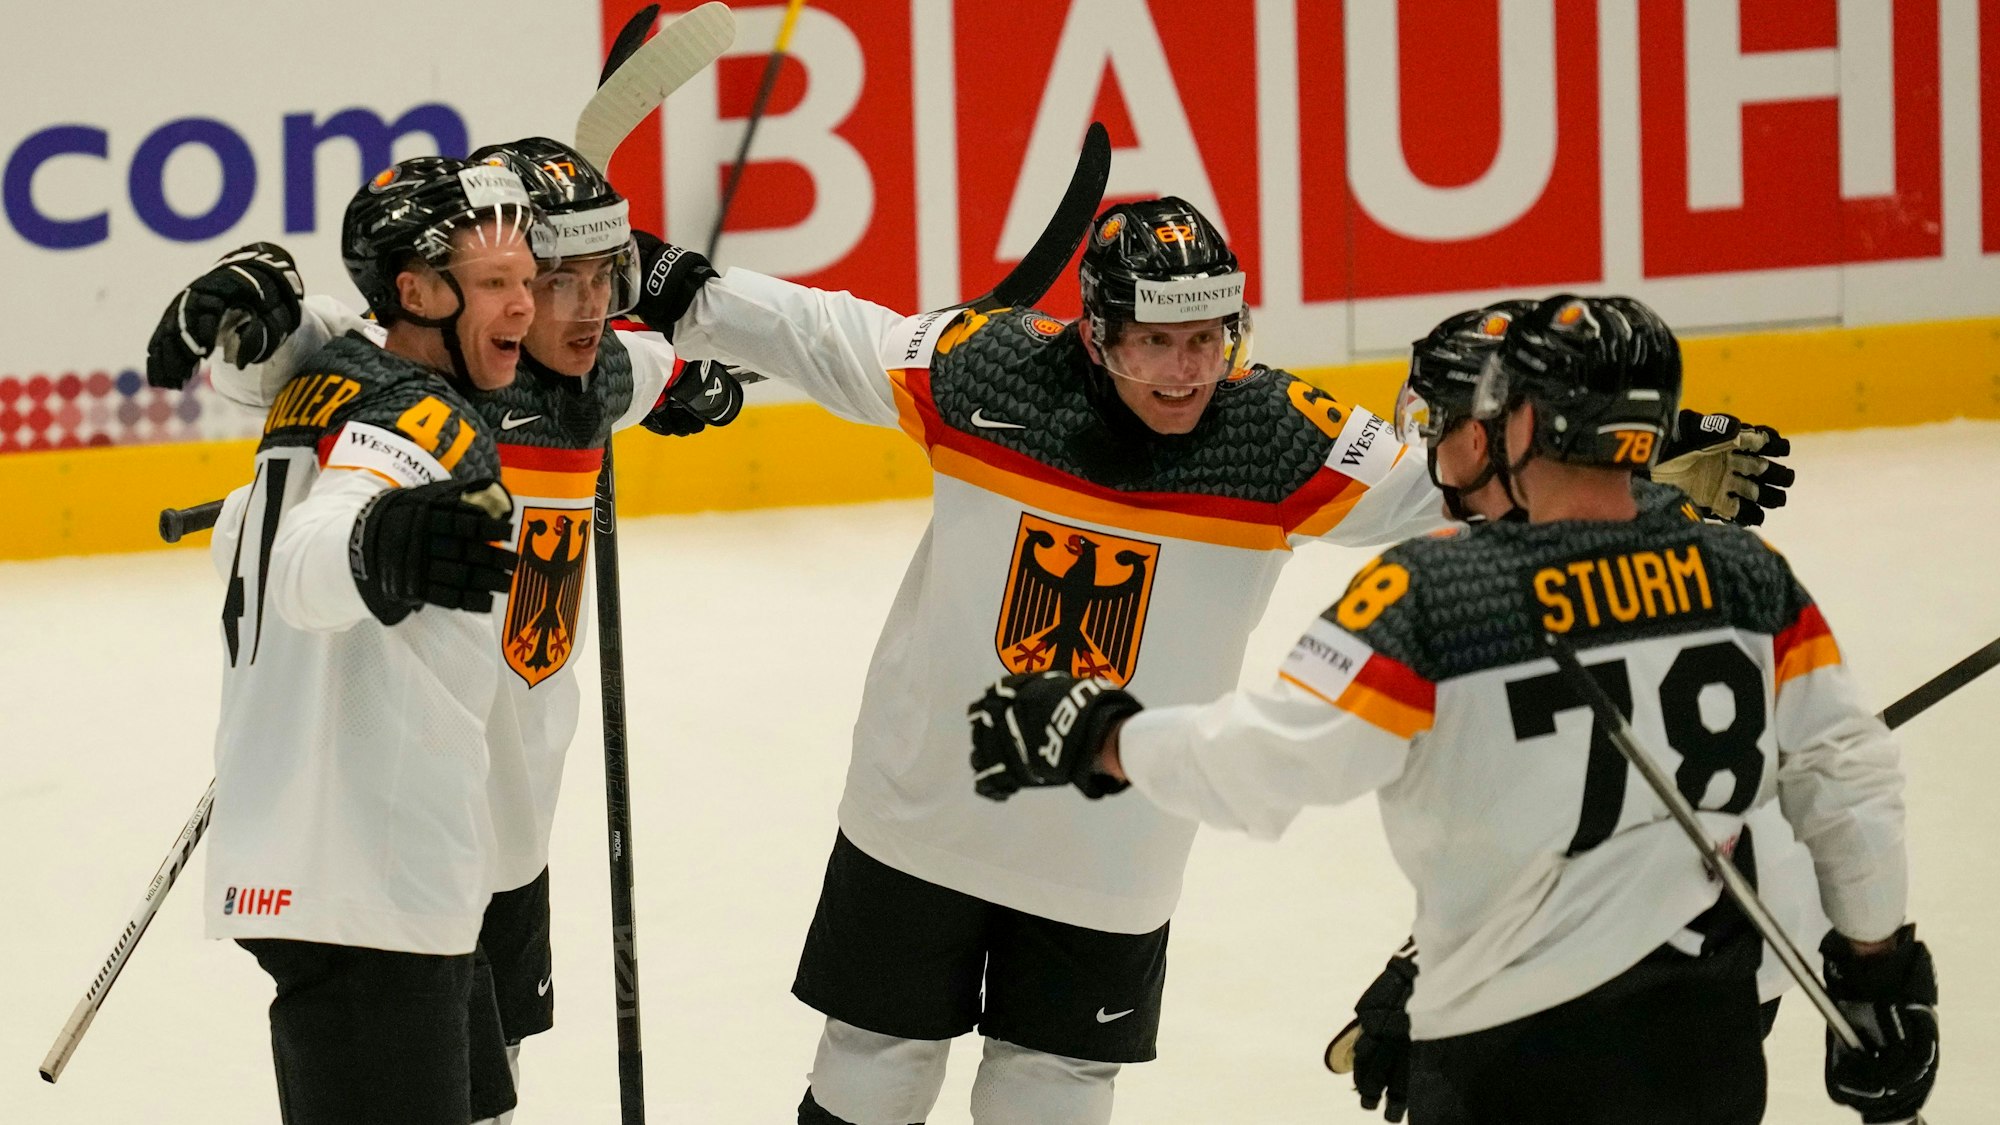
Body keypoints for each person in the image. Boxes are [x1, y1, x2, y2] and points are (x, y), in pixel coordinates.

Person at [625, 199, 1792, 1124]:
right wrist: (670, 285)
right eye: (1155, 344)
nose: (1186, 371)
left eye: (1206, 340)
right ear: (1095, 332)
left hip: (1108, 851)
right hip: (920, 815)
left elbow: (1465, 477)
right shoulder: (978, 377)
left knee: (1051, 1095)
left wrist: (1630, 466)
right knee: (870, 1073)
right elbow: (828, 332)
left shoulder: (1281, 437)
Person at [968, 294, 1938, 1125]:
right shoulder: (1742, 575)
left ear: (1515, 427)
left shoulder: (1434, 596)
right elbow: (1833, 786)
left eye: (1460, 420)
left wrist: (1099, 734)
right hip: (1708, 1032)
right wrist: (1877, 972)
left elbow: (1264, 760)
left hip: (1509, 1050)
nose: (1439, 448)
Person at [147, 137, 743, 1122]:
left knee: (483, 1096)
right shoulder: (402, 400)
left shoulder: (538, 373)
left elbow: (626, 365)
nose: (576, 304)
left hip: (469, 831)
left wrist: (689, 379)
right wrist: (369, 539)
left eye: (603, 278)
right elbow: (309, 502)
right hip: (373, 857)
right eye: (537, 281)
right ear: (430, 294)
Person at [1328, 301, 1824, 1121]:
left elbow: (1562, 818)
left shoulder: (1506, 599)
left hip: (1638, 967)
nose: (1435, 457)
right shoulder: (1678, 557)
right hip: (1722, 954)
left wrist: (1428, 966)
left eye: (1449, 426)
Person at [195, 155, 539, 1124]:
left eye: (528, 281)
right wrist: (374, 543)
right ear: (417, 292)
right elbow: (311, 560)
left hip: (367, 854)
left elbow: (270, 523)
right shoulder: (418, 417)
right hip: (364, 878)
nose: (523, 307)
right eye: (496, 285)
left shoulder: (335, 381)